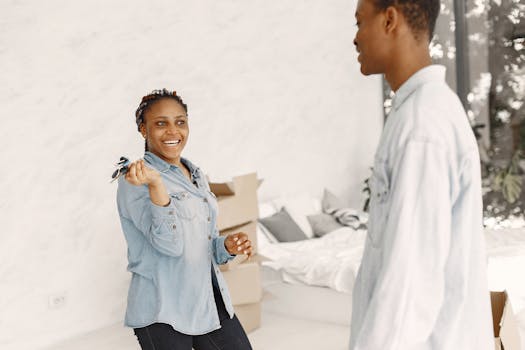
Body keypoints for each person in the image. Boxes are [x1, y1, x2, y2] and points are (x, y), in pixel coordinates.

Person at [349, 0, 494, 349]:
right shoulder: (423, 110)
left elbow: (408, 286)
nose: (355, 38)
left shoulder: (420, 126)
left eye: (359, 22)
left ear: (389, 20)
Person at [115, 88, 254, 350]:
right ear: (143, 130)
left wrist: (226, 246)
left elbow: (202, 242)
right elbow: (170, 245)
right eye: (160, 124)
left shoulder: (195, 174)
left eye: (180, 122)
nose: (172, 131)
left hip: (207, 300)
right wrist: (156, 184)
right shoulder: (135, 179)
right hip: (163, 310)